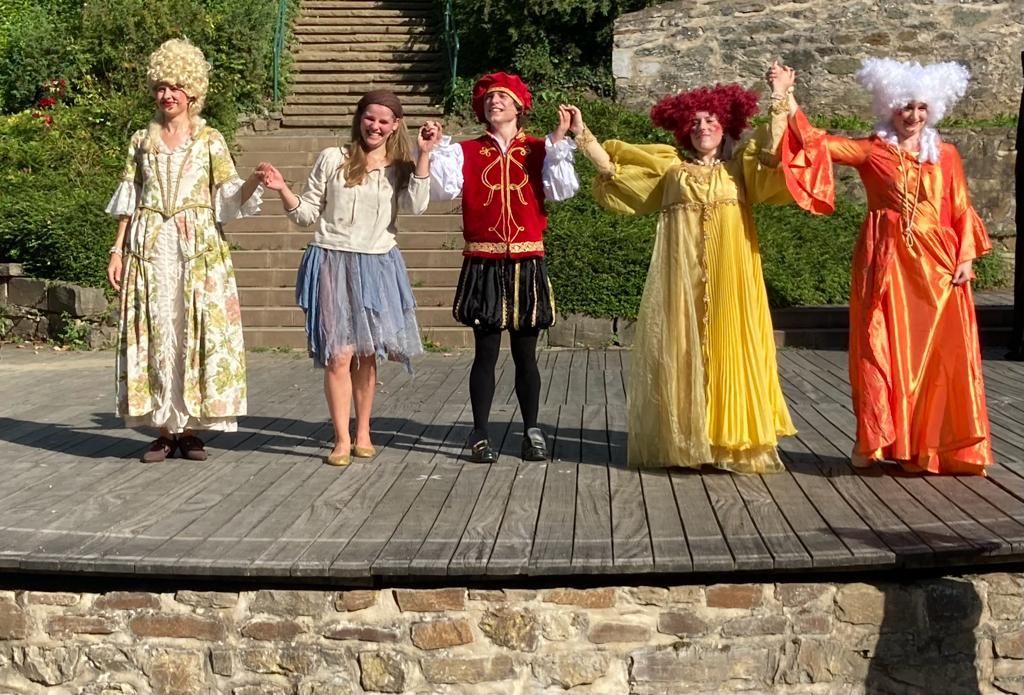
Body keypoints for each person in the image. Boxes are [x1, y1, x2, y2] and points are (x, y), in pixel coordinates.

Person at [570, 64, 798, 474]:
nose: (702, 127)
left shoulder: (740, 167)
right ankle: (686, 443)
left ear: (725, 126)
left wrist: (779, 95)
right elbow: (615, 172)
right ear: (683, 131)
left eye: (710, 120)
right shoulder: (670, 167)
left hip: (732, 277)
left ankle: (731, 442)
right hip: (682, 279)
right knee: (683, 351)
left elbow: (774, 153)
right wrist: (582, 135)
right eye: (694, 122)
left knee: (732, 349)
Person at [780, 58, 993, 475]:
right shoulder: (872, 150)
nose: (913, 115)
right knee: (883, 347)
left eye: (921, 107)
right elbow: (817, 142)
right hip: (887, 262)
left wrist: (966, 257)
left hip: (939, 266)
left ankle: (927, 447)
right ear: (890, 107)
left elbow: (961, 208)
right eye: (905, 107)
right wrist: (785, 97)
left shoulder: (946, 155)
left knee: (936, 356)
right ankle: (880, 439)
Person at [105, 38, 262, 463]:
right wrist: (117, 250)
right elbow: (130, 198)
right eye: (161, 87)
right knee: (157, 327)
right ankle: (163, 429)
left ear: (192, 91)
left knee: (193, 327)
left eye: (175, 87)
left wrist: (254, 182)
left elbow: (228, 197)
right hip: (151, 247)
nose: (167, 95)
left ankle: (190, 430)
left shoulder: (210, 140)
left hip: (198, 249)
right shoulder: (141, 140)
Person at [258, 91, 435, 467]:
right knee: (338, 355)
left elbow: (416, 206)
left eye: (384, 121)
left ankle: (364, 431)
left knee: (367, 355)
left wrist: (423, 155)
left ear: (395, 126)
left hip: (377, 264)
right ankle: (341, 438)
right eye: (370, 118)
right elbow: (306, 214)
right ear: (359, 119)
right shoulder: (332, 158)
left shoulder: (400, 166)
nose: (375, 126)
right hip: (332, 261)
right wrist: (283, 189)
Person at [422, 73, 580, 463]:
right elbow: (442, 191)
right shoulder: (465, 151)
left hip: (527, 260)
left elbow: (562, 191)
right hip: (484, 261)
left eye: (503, 97)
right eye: (489, 97)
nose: (495, 102)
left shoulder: (541, 148)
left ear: (518, 106)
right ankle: (480, 432)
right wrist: (433, 149)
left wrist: (560, 139)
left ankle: (532, 429)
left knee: (526, 354)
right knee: (485, 353)